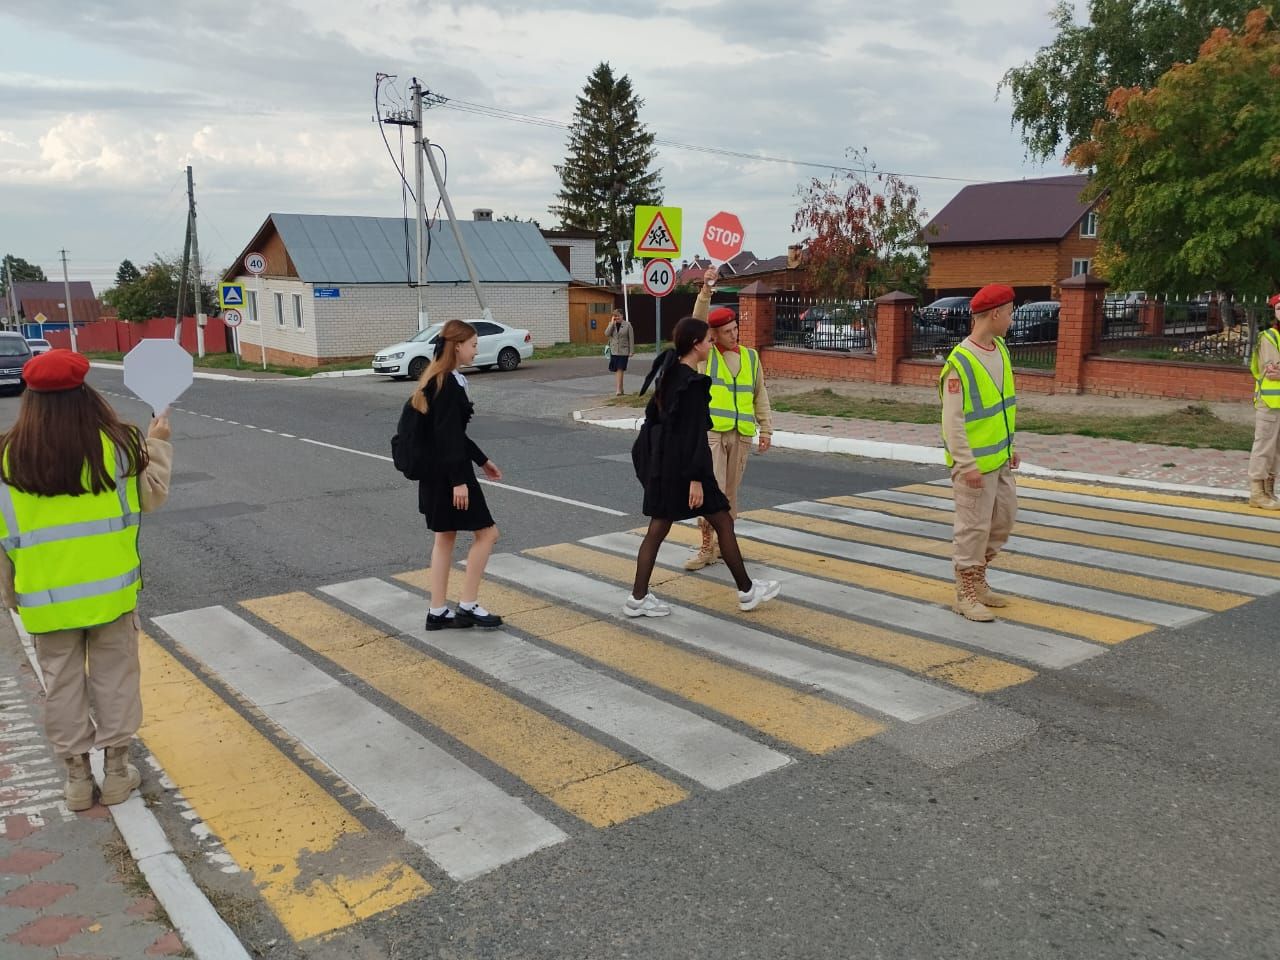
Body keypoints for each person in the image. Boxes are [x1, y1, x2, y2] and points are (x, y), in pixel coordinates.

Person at [0, 349, 173, 811]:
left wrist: (9, 594)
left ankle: (77, 780)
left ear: (29, 398)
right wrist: (158, 441)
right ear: (85, 393)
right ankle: (117, 773)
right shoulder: (120, 444)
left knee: (62, 683)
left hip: (46, 597)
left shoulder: (7, 456)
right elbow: (151, 497)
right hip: (112, 592)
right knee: (115, 678)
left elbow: (4, 535)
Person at [626, 315, 780, 617]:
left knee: (657, 530)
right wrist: (696, 480)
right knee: (723, 521)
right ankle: (747, 591)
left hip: (665, 469)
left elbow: (655, 423)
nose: (712, 345)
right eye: (709, 340)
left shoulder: (668, 375)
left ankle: (637, 598)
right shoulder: (694, 383)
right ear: (696, 345)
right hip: (688, 471)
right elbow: (694, 436)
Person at [408, 320, 505, 631]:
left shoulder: (438, 379)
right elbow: (448, 438)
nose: (477, 350)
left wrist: (483, 459)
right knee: (487, 534)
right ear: (458, 346)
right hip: (451, 474)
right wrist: (460, 481)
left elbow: (450, 433)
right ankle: (467, 605)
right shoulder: (448, 384)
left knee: (445, 537)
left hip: (437, 473)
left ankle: (437, 611)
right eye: (474, 345)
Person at [683, 267, 775, 570]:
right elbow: (696, 320)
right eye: (727, 331)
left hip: (741, 435)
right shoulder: (707, 357)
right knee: (713, 492)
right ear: (713, 335)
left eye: (736, 328)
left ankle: (725, 545)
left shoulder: (750, 357)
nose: (734, 334)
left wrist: (767, 429)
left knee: (731, 495)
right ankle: (706, 546)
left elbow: (759, 393)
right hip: (712, 434)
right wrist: (707, 290)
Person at [940, 284, 1020, 622]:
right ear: (996, 313)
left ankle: (979, 579)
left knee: (1002, 521)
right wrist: (966, 463)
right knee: (972, 529)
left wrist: (1010, 447)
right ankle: (965, 592)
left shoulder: (1000, 349)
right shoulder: (960, 362)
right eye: (1011, 312)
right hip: (973, 466)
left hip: (1000, 460)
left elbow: (1002, 405)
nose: (1013, 318)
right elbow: (953, 421)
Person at [1246, 292, 1280, 509]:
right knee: (1264, 446)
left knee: (1276, 449)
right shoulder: (1269, 337)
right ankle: (1257, 492)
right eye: (1279, 308)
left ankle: (1269, 489)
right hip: (1269, 402)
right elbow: (1272, 371)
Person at [604, 309, 634, 396]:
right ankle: (621, 388)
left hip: (623, 351)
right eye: (615, 316)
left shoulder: (628, 325)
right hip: (614, 351)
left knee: (620, 369)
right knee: (616, 370)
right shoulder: (612, 324)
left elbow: (631, 338)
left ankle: (618, 390)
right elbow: (606, 334)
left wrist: (631, 351)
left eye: (618, 315)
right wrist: (612, 324)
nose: (617, 317)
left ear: (622, 316)